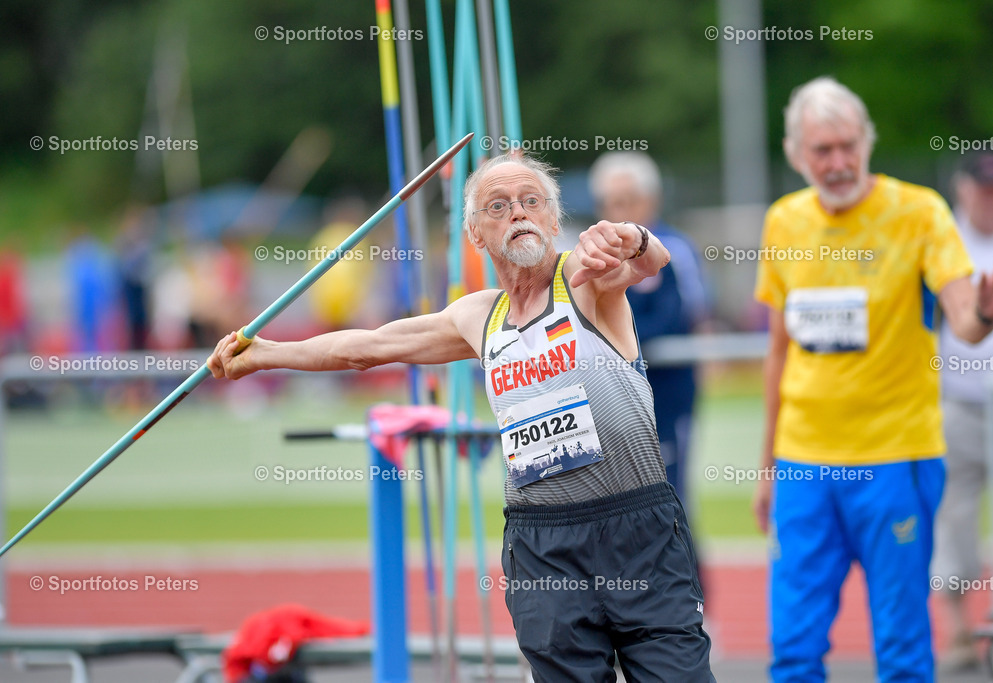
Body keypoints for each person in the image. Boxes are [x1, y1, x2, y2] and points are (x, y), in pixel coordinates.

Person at [208, 152, 715, 681]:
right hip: (543, 545)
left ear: (554, 219)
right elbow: (366, 347)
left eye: (530, 201)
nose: (517, 212)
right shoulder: (476, 317)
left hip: (636, 529)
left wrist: (631, 237)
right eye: (498, 206)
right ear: (476, 233)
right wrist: (267, 352)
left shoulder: (585, 279)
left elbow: (650, 262)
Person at [752, 76, 993, 682]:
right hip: (804, 463)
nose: (839, 162)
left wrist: (987, 309)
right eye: (823, 150)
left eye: (848, 145)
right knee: (793, 647)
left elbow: (963, 320)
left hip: (895, 459)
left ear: (867, 143)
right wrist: (767, 465)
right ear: (797, 154)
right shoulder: (783, 222)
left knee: (902, 649)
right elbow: (778, 351)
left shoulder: (918, 212)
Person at [932, 152, 993, 670]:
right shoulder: (947, 243)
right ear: (964, 189)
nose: (992, 198)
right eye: (983, 188)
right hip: (960, 401)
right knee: (956, 520)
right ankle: (960, 631)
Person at [588, 152, 708, 511]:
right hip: (608, 397)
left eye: (628, 201)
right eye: (611, 202)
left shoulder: (676, 250)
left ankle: (685, 569)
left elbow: (689, 316)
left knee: (671, 498)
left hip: (667, 394)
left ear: (650, 200)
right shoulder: (591, 255)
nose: (619, 211)